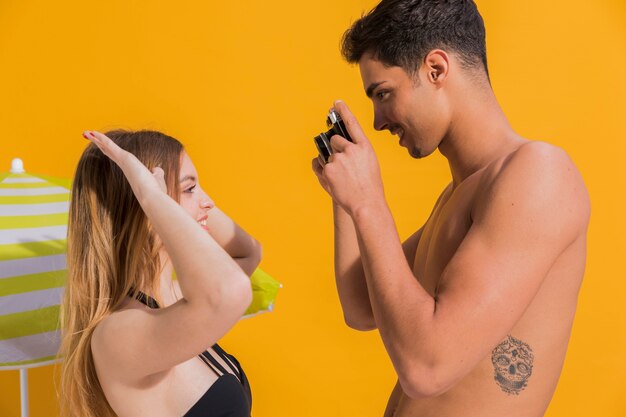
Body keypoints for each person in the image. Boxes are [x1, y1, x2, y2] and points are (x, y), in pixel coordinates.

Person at [311, 1, 590, 416]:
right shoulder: (460, 194)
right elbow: (361, 305)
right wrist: (346, 195)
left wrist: (369, 202)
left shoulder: (538, 173)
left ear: (436, 69)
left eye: (384, 93)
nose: (378, 122)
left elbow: (427, 368)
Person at [59, 129, 261, 417]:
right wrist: (151, 197)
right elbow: (230, 289)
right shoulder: (116, 335)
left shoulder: (173, 300)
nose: (209, 202)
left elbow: (248, 252)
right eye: (190, 189)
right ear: (145, 205)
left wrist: (170, 198)